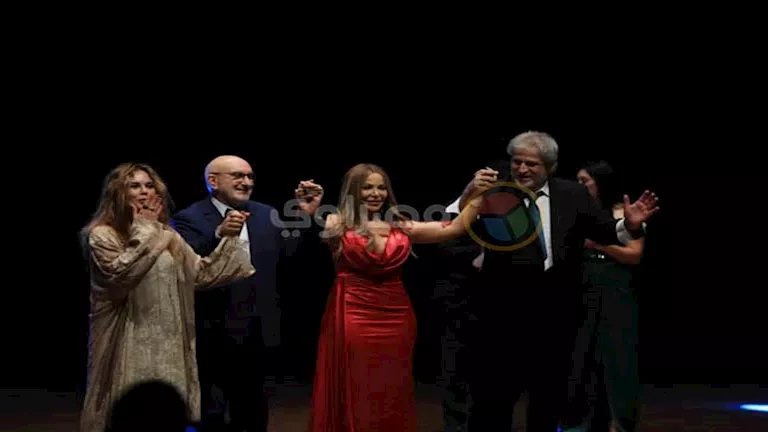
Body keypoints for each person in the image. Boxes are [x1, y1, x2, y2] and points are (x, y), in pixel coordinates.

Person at [456, 131, 659, 431]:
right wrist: (469, 193)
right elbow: (459, 222)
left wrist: (628, 225)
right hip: (502, 314)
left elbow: (604, 231)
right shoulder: (496, 191)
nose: (522, 169)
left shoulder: (572, 194)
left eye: (531, 164)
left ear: (550, 166)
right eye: (517, 162)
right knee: (494, 399)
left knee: (548, 399)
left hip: (556, 314)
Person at [307, 163, 491, 431]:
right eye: (367, 187)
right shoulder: (338, 223)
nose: (375, 193)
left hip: (397, 316)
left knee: (392, 384)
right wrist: (309, 209)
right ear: (353, 191)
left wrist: (477, 191)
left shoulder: (401, 226)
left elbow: (453, 228)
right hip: (353, 313)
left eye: (381, 188)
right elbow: (313, 225)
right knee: (356, 382)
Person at [78, 163, 255, 432]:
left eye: (149, 186)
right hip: (130, 337)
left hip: (171, 338)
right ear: (118, 192)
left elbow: (200, 274)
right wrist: (146, 229)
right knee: (134, 411)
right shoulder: (103, 235)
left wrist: (229, 238)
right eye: (135, 186)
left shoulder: (167, 234)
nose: (144, 192)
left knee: (168, 412)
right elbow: (121, 275)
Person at [171, 155, 322, 432]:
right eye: (237, 176)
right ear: (213, 181)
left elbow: (290, 257)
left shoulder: (266, 214)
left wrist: (306, 215)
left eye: (250, 176)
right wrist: (218, 234)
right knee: (211, 413)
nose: (246, 182)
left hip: (258, 329)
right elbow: (183, 265)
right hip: (212, 331)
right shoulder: (188, 218)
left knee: (253, 411)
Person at [564, 160, 644, 432]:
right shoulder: (575, 210)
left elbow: (634, 255)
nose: (579, 186)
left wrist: (598, 244)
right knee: (579, 356)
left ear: (600, 183)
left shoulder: (622, 211)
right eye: (577, 180)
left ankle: (619, 421)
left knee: (616, 356)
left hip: (614, 287)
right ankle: (578, 420)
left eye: (584, 181)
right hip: (581, 286)